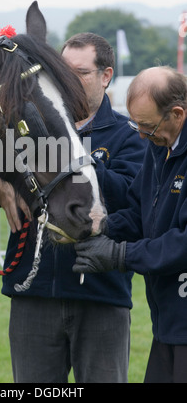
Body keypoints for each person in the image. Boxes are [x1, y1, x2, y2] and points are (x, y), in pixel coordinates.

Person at [0, 33, 146, 383]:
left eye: (80, 72)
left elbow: (130, 197)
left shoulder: (129, 135)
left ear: (106, 75)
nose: (69, 79)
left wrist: (76, 165)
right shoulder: (34, 129)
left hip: (101, 295)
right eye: (62, 70)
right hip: (32, 293)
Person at [72, 65, 187, 383]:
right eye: (137, 125)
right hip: (168, 321)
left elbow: (182, 242)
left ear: (177, 113)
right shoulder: (160, 144)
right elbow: (141, 211)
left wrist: (120, 255)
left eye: (147, 127)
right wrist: (104, 226)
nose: (140, 136)